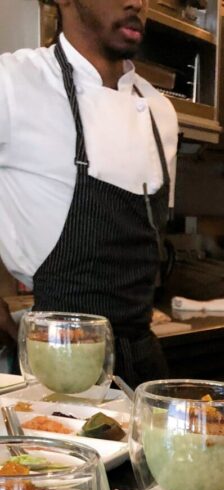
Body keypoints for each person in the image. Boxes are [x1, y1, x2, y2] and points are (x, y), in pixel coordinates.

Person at [0, 0, 178, 384]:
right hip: (56, 366)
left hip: (143, 362)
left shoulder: (160, 112)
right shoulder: (14, 82)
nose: (138, 3)